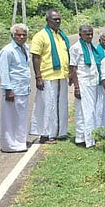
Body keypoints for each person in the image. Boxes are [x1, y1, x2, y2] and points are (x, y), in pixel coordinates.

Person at [29, 9, 70, 144]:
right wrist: (38, 77)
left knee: (61, 105)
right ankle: (45, 135)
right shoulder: (41, 36)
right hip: (47, 76)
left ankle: (59, 132)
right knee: (48, 106)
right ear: (47, 20)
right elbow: (36, 56)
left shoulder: (61, 35)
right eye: (55, 19)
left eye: (59, 19)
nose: (58, 21)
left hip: (61, 76)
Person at [0, 24, 31, 153]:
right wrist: (8, 89)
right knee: (10, 118)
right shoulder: (8, 51)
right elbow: (4, 71)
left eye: (24, 34)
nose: (21, 37)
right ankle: (9, 145)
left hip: (23, 88)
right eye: (18, 34)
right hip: (13, 90)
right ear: (13, 35)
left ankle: (20, 142)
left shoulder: (25, 48)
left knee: (21, 117)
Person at [69, 24, 102, 148]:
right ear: (80, 35)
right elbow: (72, 68)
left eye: (91, 34)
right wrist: (76, 87)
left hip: (93, 82)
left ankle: (83, 137)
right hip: (83, 83)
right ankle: (88, 140)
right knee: (85, 112)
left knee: (90, 111)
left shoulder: (90, 47)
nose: (89, 36)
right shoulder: (76, 48)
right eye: (87, 34)